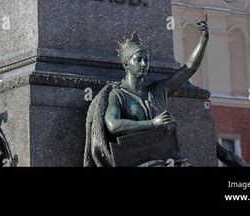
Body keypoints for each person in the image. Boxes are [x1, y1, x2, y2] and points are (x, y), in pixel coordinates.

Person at [84, 21, 209, 167]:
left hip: (163, 155)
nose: (143, 64)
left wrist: (203, 39)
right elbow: (113, 125)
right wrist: (152, 123)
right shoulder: (117, 94)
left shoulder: (158, 90)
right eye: (138, 60)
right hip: (133, 159)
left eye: (146, 60)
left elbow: (189, 68)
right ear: (126, 64)